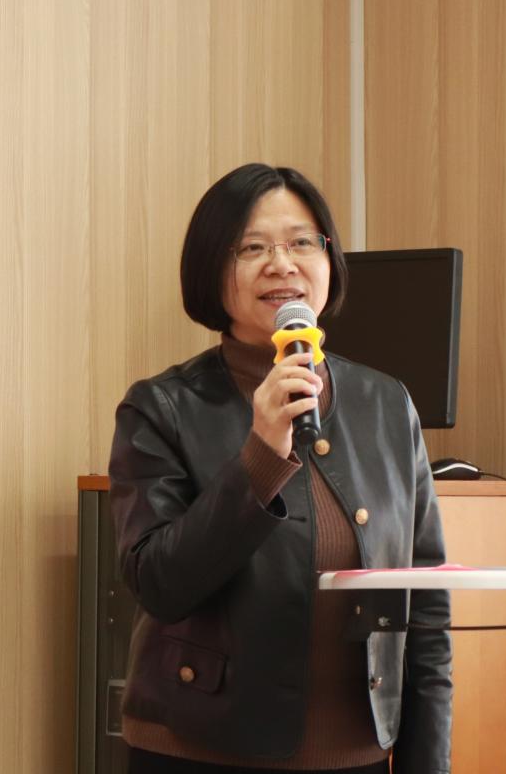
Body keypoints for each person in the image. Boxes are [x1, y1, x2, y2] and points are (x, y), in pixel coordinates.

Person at [109, 163, 452, 773]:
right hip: (199, 752)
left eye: (301, 242)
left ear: (329, 259)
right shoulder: (161, 407)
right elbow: (160, 584)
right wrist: (262, 453)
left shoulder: (385, 402)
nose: (282, 264)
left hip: (358, 756)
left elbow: (423, 604)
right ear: (211, 269)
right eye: (252, 248)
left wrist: (427, 762)